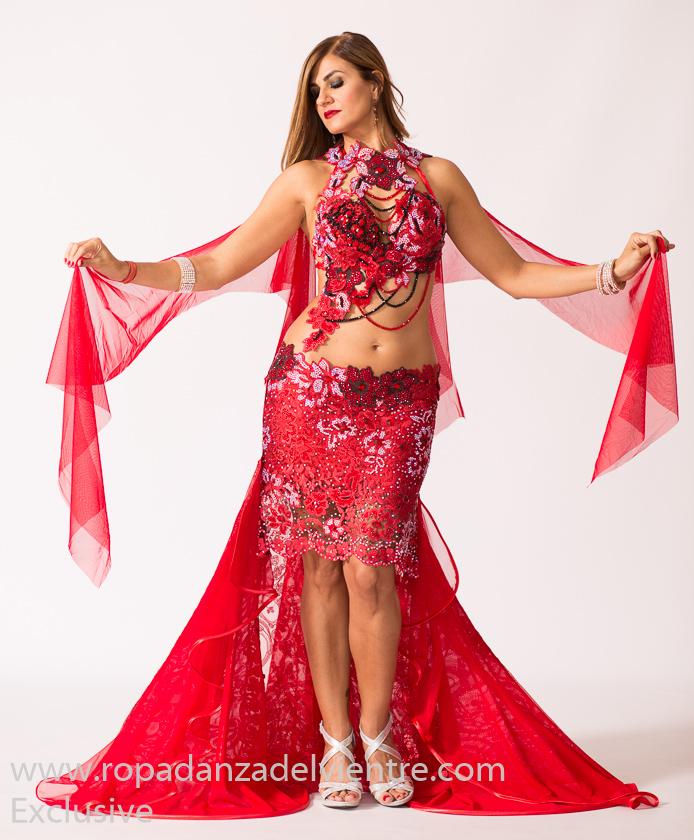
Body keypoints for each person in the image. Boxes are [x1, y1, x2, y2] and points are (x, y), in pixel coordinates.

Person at [38, 32, 677, 817]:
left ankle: (379, 737)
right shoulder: (306, 181)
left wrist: (611, 271)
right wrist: (122, 268)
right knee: (319, 569)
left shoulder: (438, 179)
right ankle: (337, 743)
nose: (323, 99)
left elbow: (512, 273)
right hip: (310, 392)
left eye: (336, 82)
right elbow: (221, 264)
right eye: (315, 90)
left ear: (376, 82)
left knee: (373, 568)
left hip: (401, 402)